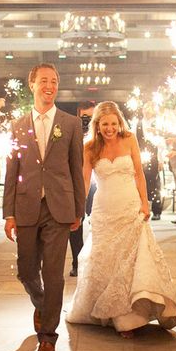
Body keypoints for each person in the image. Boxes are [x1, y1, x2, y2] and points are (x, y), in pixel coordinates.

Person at [66, 101, 176, 337]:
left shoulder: (129, 139)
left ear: (120, 123)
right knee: (106, 259)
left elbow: (139, 174)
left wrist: (144, 202)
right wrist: (78, 210)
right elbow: (85, 181)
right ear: (97, 126)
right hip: (104, 210)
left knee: (131, 260)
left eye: (113, 123)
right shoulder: (89, 147)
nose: (109, 128)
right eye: (104, 124)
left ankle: (129, 316)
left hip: (130, 208)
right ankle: (107, 311)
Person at [3, 63, 85, 351]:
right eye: (44, 81)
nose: (49, 86)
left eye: (54, 81)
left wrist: (79, 208)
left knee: (54, 274)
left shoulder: (71, 124)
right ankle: (42, 304)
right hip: (25, 206)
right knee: (26, 270)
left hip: (59, 208)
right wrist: (8, 213)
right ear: (32, 84)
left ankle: (48, 335)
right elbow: (12, 170)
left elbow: (76, 169)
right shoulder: (17, 124)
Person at [69, 100, 96, 277]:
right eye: (85, 116)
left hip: (98, 182)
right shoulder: (72, 130)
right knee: (75, 223)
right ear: (78, 115)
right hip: (76, 180)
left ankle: (96, 262)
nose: (88, 120)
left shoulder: (102, 131)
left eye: (92, 117)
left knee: (98, 222)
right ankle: (77, 262)